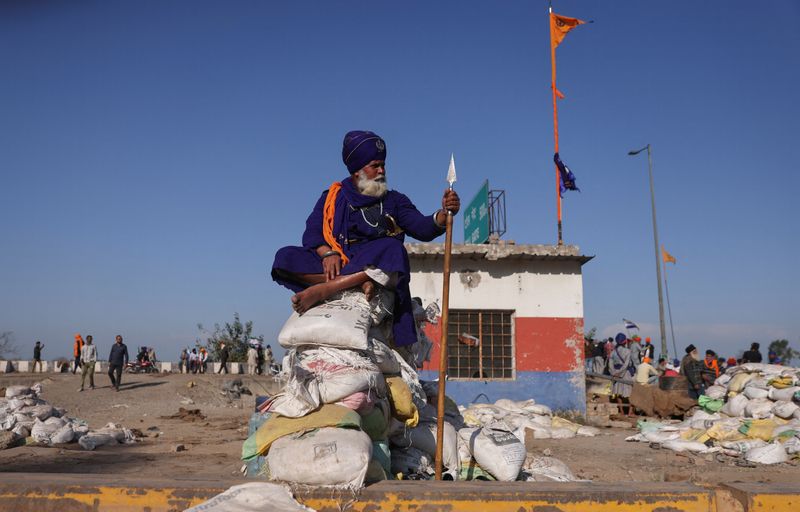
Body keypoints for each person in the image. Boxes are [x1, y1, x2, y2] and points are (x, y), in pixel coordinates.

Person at [271, 130, 460, 349]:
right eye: (375, 165)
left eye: (383, 165)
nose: (382, 171)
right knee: (283, 257)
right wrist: (328, 253)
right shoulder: (332, 197)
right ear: (357, 170)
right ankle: (358, 282)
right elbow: (312, 234)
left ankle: (325, 290)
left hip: (374, 263)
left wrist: (443, 214)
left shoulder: (394, 201)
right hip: (340, 264)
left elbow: (423, 227)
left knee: (393, 250)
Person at [608, 333, 635, 416]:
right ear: (624, 341)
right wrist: (620, 373)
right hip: (625, 374)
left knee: (618, 393)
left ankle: (622, 411)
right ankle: (630, 412)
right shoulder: (627, 351)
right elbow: (626, 364)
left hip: (616, 374)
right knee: (630, 393)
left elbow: (610, 364)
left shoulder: (613, 352)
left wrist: (614, 373)